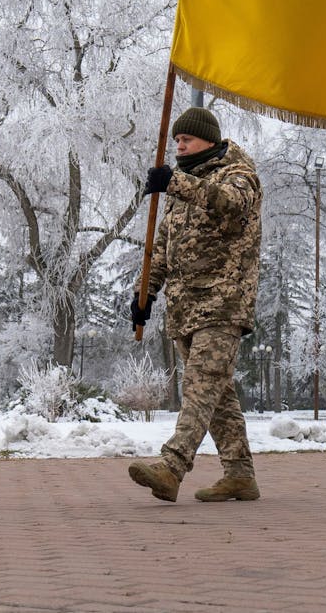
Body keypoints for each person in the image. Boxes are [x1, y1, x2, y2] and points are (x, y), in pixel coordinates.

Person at [128, 107, 264, 503]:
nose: (180, 146)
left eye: (186, 139)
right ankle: (240, 475)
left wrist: (177, 184)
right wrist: (145, 295)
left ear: (209, 139)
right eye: (176, 142)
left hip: (224, 304)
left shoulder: (239, 176)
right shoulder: (181, 190)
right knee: (217, 394)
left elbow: (230, 204)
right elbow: (164, 251)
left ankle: (171, 467)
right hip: (186, 308)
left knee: (200, 385)